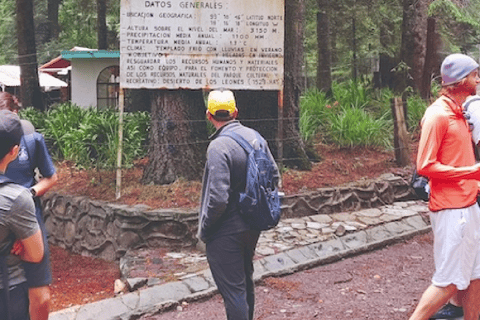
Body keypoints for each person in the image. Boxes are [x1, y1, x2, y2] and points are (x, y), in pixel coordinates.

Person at [198, 89, 279, 320]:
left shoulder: (218, 147)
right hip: (252, 224)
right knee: (244, 281)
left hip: (226, 230)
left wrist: (205, 229)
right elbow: (273, 175)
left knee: (233, 291)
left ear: (209, 115)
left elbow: (217, 198)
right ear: (235, 112)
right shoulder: (256, 138)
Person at [411, 53, 480, 320]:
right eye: (474, 75)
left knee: (475, 276)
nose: (478, 79)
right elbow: (425, 166)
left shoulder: (461, 113)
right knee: (449, 281)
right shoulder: (437, 115)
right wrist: (472, 172)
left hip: (468, 205)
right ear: (461, 80)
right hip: (452, 210)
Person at [0, 92, 58, 320]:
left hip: (27, 215)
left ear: (17, 114)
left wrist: (28, 193)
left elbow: (51, 177)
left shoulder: (33, 140)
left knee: (41, 297)